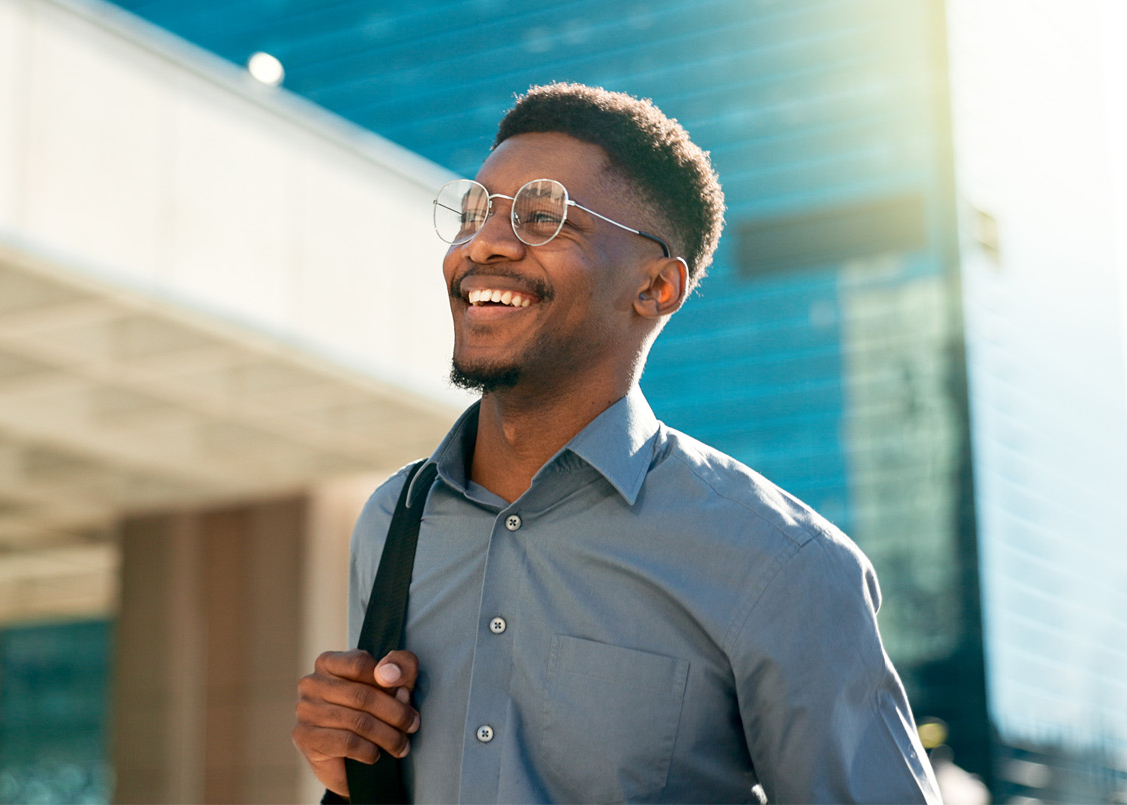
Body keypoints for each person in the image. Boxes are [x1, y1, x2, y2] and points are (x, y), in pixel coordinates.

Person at [292, 83, 941, 803]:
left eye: (544, 217)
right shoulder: (393, 518)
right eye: (476, 212)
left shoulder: (785, 566)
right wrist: (349, 767)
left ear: (657, 287)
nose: (485, 244)